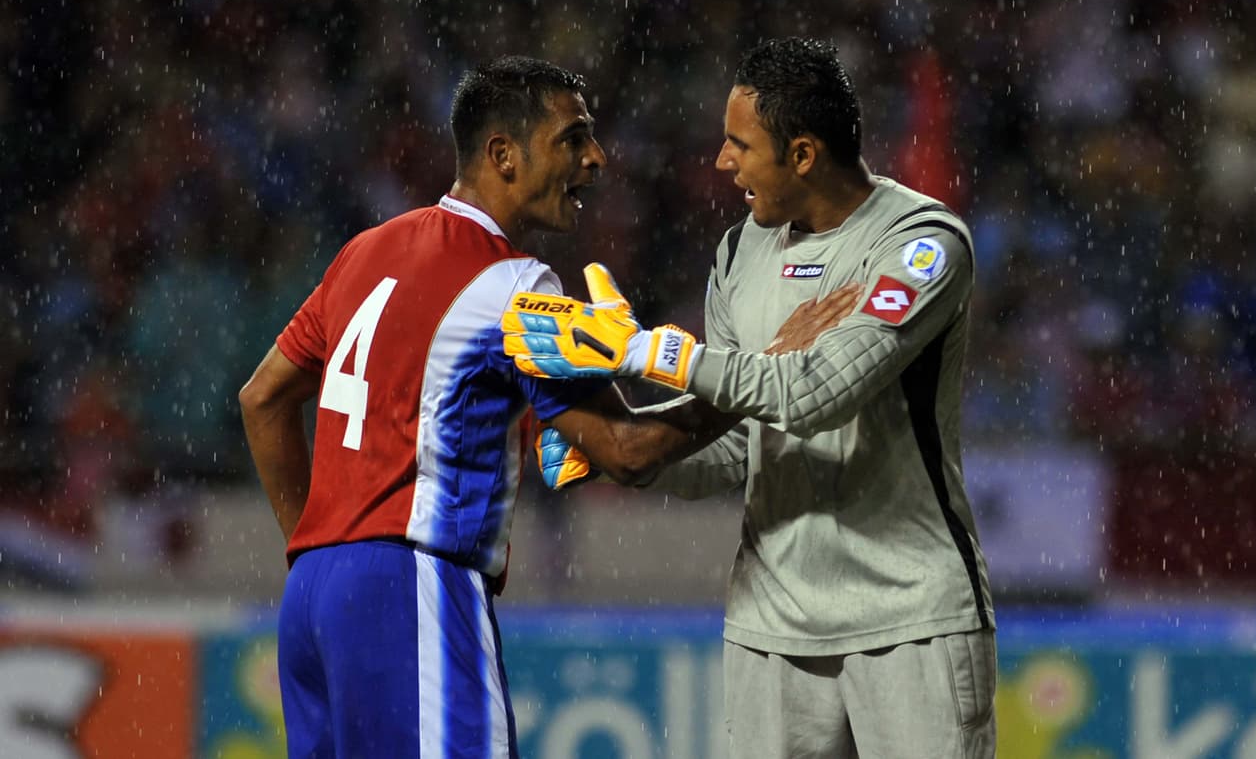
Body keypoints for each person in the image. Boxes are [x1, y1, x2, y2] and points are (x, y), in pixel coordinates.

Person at [238, 53, 861, 758]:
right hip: (410, 584)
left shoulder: (366, 250)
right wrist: (764, 372)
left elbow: (262, 399)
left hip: (314, 602)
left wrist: (319, 547)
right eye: (574, 138)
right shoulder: (512, 282)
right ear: (503, 154)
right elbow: (625, 452)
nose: (595, 158)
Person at [503, 37, 997, 758]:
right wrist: (622, 452)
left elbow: (817, 394)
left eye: (739, 144)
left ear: (801, 154)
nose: (721, 162)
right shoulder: (740, 250)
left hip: (910, 617)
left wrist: (647, 351)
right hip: (772, 625)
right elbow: (741, 443)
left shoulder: (919, 244)